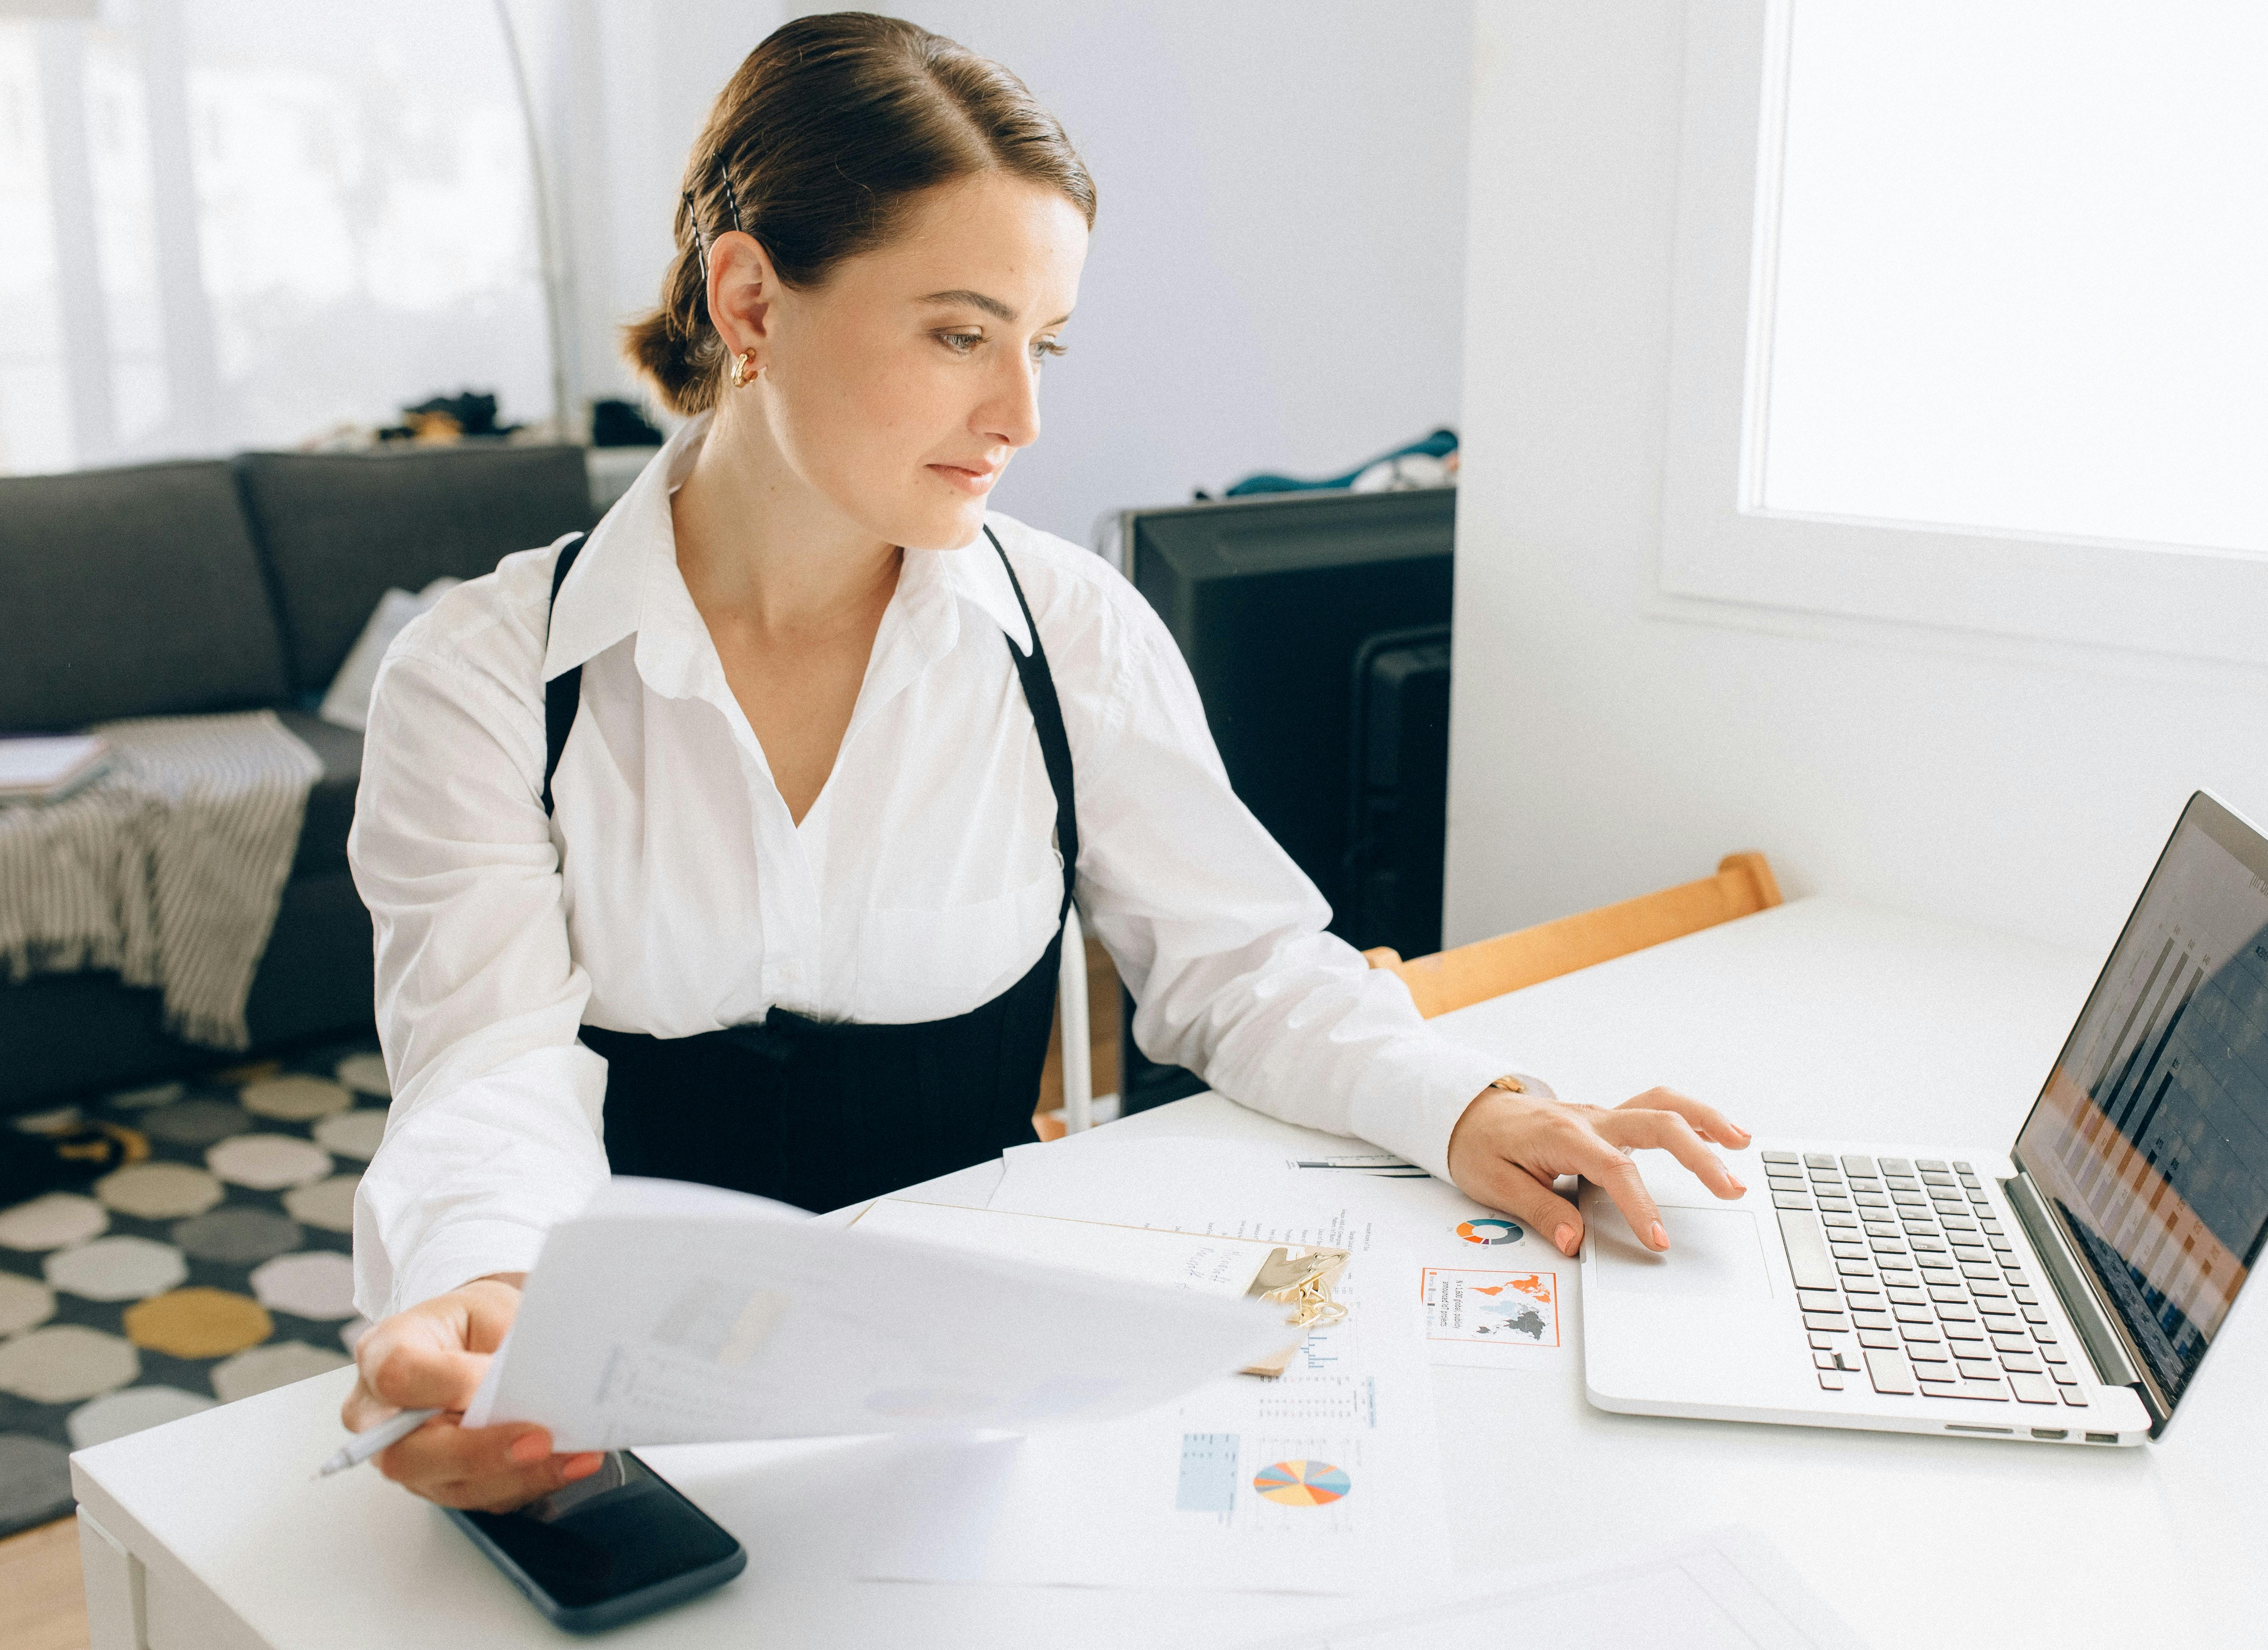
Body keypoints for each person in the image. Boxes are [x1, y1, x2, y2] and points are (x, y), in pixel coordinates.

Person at [341, 12, 1750, 1512]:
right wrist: (494, 1301)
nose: (1021, 415)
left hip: (959, 1406)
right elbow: (485, 1079)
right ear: (749, 299)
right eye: (959, 333)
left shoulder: (1066, 627)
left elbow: (1241, 967)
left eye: (1042, 342)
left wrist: (1464, 1103)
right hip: (621, 1411)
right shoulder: (486, 676)